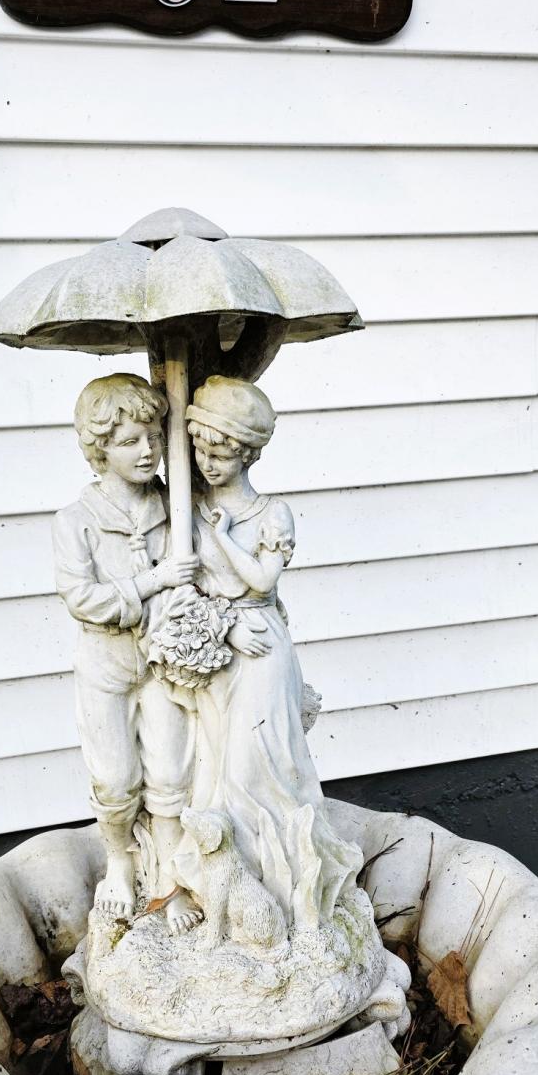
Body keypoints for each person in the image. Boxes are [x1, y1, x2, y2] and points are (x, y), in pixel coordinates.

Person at [179, 375, 363, 930]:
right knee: (214, 768)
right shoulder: (186, 509)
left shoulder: (271, 514)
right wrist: (221, 627)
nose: (208, 464)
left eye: (220, 454)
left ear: (247, 454)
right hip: (219, 647)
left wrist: (223, 535)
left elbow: (261, 581)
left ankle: (286, 886)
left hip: (262, 648)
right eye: (201, 451)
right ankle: (227, 891)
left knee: (261, 766)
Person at [52, 373, 203, 933]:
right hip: (107, 665)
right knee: (115, 780)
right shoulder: (77, 522)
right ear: (99, 449)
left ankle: (168, 882)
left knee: (170, 775)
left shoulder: (175, 507)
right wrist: (153, 581)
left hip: (163, 662)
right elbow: (83, 599)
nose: (146, 451)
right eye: (128, 441)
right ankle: (119, 863)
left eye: (153, 437)